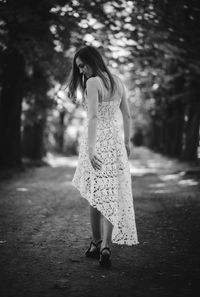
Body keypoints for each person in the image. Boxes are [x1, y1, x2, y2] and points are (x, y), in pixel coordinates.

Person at [68, 45, 138, 268]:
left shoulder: (92, 82)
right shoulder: (118, 81)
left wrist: (90, 149)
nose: (81, 72)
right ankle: (106, 246)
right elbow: (126, 115)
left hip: (97, 143)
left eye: (82, 66)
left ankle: (96, 242)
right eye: (78, 68)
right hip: (116, 144)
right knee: (110, 195)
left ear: (92, 61)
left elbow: (93, 118)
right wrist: (126, 142)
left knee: (95, 195)